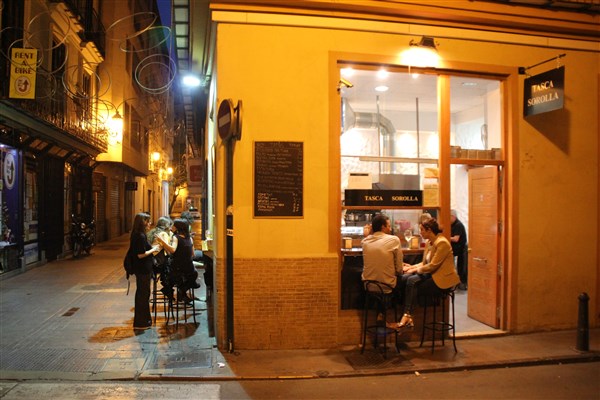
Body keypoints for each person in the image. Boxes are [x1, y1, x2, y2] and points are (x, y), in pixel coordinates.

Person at [388, 218, 460, 331]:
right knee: (405, 278)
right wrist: (411, 267)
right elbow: (425, 263)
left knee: (411, 281)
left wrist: (414, 270)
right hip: (432, 275)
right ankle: (406, 317)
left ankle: (407, 316)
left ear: (429, 230)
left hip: (443, 280)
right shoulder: (429, 242)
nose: (420, 232)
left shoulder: (442, 243)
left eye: (422, 229)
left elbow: (433, 265)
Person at [155, 218, 200, 303]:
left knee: (169, 274)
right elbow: (193, 254)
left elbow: (172, 250)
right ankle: (182, 292)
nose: (172, 227)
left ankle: (175, 292)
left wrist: (162, 241)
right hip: (189, 269)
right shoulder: (190, 238)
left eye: (173, 225)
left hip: (177, 268)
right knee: (192, 276)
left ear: (178, 227)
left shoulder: (176, 238)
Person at [129, 212, 160, 330]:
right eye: (148, 221)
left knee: (143, 294)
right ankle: (141, 322)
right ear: (143, 222)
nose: (150, 223)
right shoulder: (140, 236)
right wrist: (154, 249)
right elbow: (140, 254)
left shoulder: (138, 234)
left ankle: (143, 321)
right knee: (143, 294)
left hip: (142, 269)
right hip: (143, 269)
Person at [361, 214, 403, 294]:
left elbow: (367, 240)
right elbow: (399, 269)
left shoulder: (365, 242)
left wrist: (368, 234)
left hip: (368, 285)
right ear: (383, 227)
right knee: (406, 280)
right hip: (387, 286)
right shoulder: (394, 240)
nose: (390, 229)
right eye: (389, 226)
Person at [450, 209, 468, 290]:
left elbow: (456, 239)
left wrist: (446, 237)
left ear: (453, 216)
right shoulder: (452, 224)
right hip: (455, 249)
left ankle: (461, 284)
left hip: (461, 249)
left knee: (461, 268)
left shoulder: (458, 225)